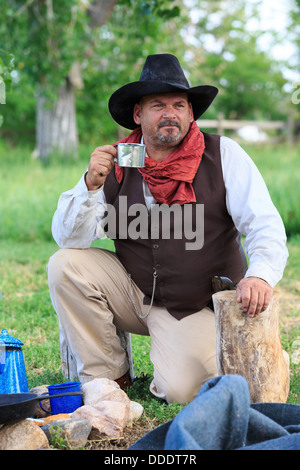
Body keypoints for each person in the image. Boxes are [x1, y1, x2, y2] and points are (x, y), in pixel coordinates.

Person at [47, 54, 288, 404]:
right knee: (65, 264)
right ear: (138, 115)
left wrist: (261, 275)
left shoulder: (222, 154)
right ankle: (109, 379)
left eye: (179, 104)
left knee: (183, 391)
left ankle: (253, 355)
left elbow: (263, 222)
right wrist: (91, 184)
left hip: (196, 303)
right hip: (137, 291)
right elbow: (69, 238)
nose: (170, 113)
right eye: (158, 105)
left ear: (190, 113)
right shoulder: (119, 160)